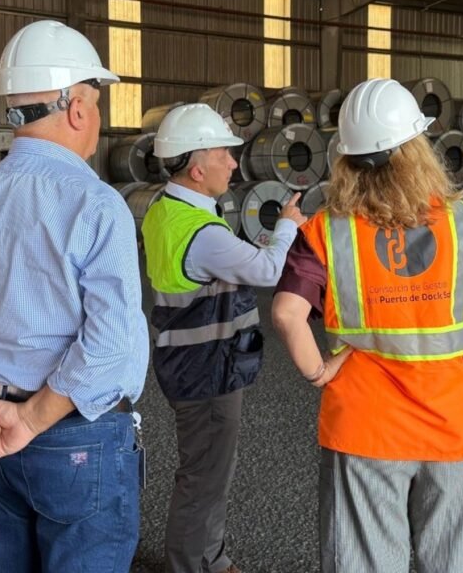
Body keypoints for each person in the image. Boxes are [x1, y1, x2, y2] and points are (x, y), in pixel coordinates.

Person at [271, 78, 463, 573]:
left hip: (364, 428)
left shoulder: (325, 231)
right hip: (455, 427)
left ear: (347, 159)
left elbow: (286, 313)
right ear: (418, 149)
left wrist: (319, 373)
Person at [0, 19, 149, 573]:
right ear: (77, 109)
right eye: (96, 105)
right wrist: (30, 420)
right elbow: (109, 342)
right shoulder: (95, 204)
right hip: (74, 437)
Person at [141, 103, 306, 573]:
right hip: (207, 370)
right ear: (197, 169)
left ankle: (209, 558)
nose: (234, 164)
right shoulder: (203, 233)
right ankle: (191, 564)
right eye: (223, 155)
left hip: (185, 361)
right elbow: (267, 270)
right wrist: (287, 226)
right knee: (204, 477)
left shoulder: (163, 209)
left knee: (207, 469)